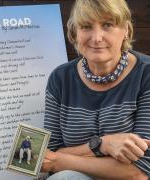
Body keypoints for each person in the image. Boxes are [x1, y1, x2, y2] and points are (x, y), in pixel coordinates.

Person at [42, 0, 150, 179]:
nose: (97, 37)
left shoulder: (145, 75)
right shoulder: (60, 79)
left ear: (126, 30)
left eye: (107, 25)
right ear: (74, 33)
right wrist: (101, 144)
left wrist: (61, 160)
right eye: (86, 26)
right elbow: (49, 154)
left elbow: (140, 171)